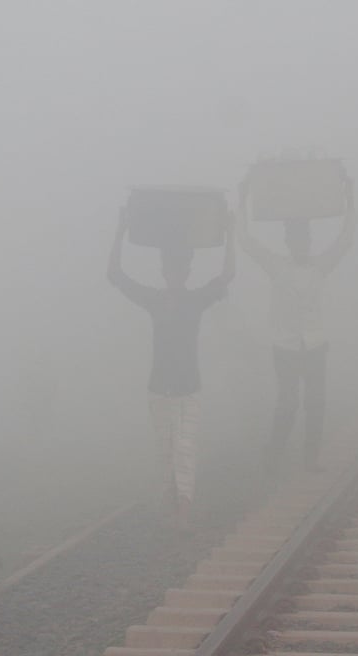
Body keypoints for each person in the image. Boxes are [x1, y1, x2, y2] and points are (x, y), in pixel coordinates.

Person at [107, 209, 236, 529]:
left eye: (180, 269)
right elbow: (115, 274)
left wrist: (230, 232)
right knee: (165, 448)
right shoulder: (154, 299)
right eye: (171, 269)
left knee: (185, 447)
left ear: (187, 271)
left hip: (187, 386)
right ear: (165, 271)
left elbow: (228, 274)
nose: (175, 274)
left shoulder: (196, 299)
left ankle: (183, 508)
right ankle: (169, 501)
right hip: (159, 386)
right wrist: (121, 228)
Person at [237, 176, 355, 474]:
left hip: (315, 344)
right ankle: (274, 454)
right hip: (286, 345)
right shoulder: (277, 266)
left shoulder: (320, 266)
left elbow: (346, 237)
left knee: (315, 404)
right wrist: (242, 196)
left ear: (309, 242)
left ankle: (310, 458)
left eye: (305, 240)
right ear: (289, 243)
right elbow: (245, 239)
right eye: (296, 240)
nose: (301, 244)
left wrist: (349, 196)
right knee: (287, 403)